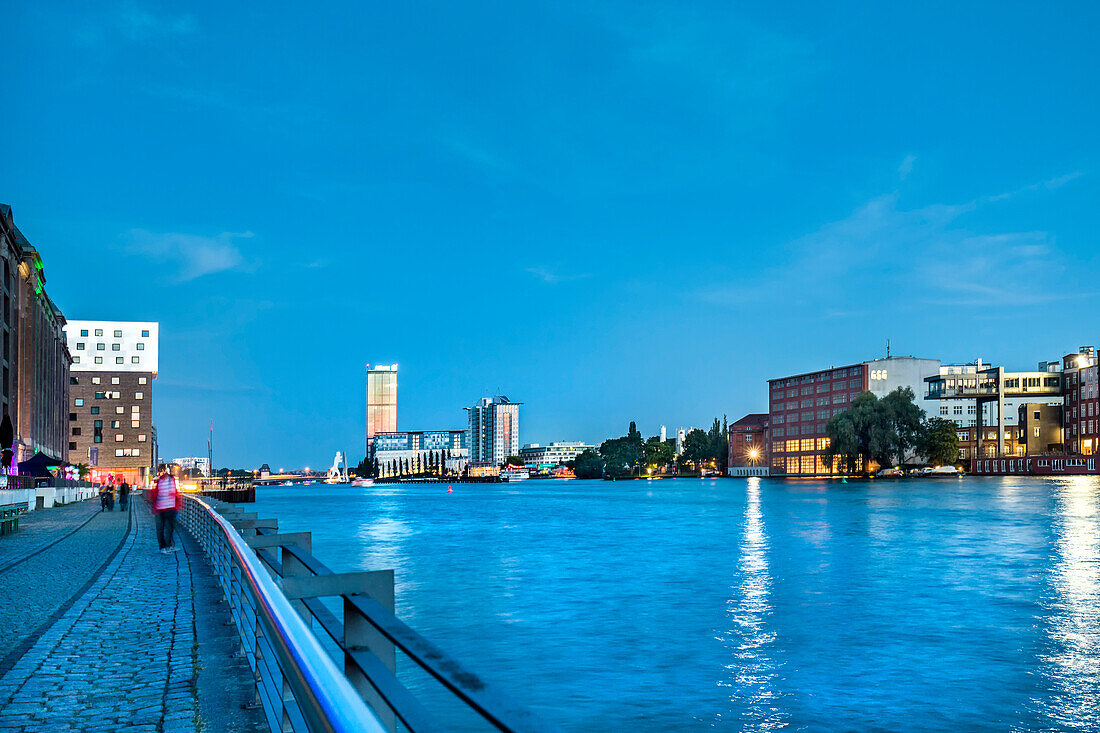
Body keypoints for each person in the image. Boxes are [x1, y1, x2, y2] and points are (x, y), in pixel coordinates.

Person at [149, 465, 182, 553]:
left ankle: (163, 547)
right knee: (169, 528)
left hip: (161, 508)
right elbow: (175, 493)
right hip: (170, 508)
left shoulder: (159, 481)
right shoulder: (171, 479)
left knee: (161, 528)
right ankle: (168, 545)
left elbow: (155, 494)